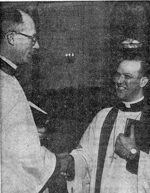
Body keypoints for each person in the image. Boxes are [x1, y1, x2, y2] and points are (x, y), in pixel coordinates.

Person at [0, 8, 72, 193]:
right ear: (11, 38)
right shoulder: (5, 85)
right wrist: (58, 163)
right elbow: (23, 156)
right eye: (32, 38)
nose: (37, 45)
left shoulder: (8, 78)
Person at [66, 55, 150, 193]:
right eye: (118, 75)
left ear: (143, 81)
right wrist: (70, 162)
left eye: (127, 76)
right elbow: (86, 155)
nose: (119, 81)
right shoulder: (104, 116)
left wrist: (134, 155)